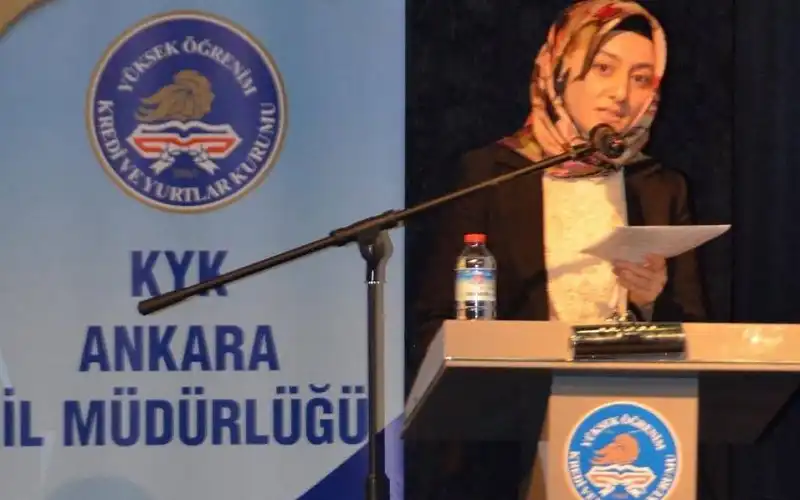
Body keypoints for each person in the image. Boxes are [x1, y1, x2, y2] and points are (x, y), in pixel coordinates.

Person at [407, 1, 708, 499]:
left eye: (641, 78)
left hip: (629, 433)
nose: (621, 94)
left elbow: (698, 334)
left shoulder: (660, 187)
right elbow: (435, 322)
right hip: (506, 443)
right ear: (560, 69)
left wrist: (650, 302)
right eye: (603, 68)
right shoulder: (492, 175)